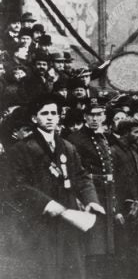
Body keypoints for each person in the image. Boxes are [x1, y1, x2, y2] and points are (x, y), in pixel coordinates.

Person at [10, 94, 101, 279]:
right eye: (45, 113)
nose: (50, 117)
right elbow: (15, 186)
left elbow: (82, 177)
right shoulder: (22, 149)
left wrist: (91, 200)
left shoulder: (68, 147)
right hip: (39, 221)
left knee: (71, 269)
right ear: (34, 118)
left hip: (69, 219)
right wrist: (45, 203)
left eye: (54, 113)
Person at [68, 101, 117, 279]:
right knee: (93, 242)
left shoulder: (103, 137)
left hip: (106, 193)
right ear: (85, 116)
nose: (95, 118)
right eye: (91, 115)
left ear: (103, 116)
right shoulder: (75, 139)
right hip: (90, 194)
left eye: (99, 114)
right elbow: (77, 173)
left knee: (107, 242)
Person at [111, 119, 138, 279]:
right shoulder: (113, 152)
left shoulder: (134, 151)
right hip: (122, 212)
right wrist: (116, 210)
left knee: (136, 251)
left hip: (136, 211)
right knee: (122, 253)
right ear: (125, 133)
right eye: (135, 132)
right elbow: (112, 185)